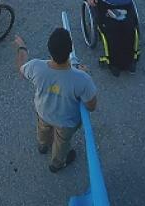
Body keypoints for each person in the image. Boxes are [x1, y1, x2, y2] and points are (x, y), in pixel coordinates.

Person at [15, 29, 97, 173]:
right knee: (62, 142)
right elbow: (91, 106)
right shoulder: (82, 79)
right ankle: (57, 163)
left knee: (43, 128)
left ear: (49, 49)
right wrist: (83, 74)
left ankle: (43, 145)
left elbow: (21, 70)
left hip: (43, 112)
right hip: (66, 121)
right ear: (70, 50)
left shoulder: (35, 66)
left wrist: (22, 47)